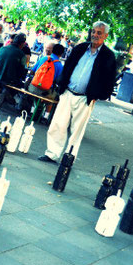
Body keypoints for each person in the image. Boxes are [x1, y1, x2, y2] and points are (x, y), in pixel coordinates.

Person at [38, 21, 116, 164]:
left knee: (77, 131)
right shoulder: (80, 48)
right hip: (68, 92)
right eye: (93, 31)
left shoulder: (108, 56)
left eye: (99, 33)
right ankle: (52, 154)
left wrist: (98, 95)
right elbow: (68, 66)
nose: (95, 35)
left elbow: (109, 79)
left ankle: (69, 158)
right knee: (58, 125)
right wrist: (61, 85)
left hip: (86, 98)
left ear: (105, 36)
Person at [17, 43, 64, 116]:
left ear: (52, 50)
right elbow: (59, 81)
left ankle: (31, 111)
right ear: (61, 54)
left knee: (35, 95)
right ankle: (46, 116)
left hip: (33, 88)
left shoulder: (43, 58)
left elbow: (32, 71)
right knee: (52, 99)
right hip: (46, 92)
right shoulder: (60, 65)